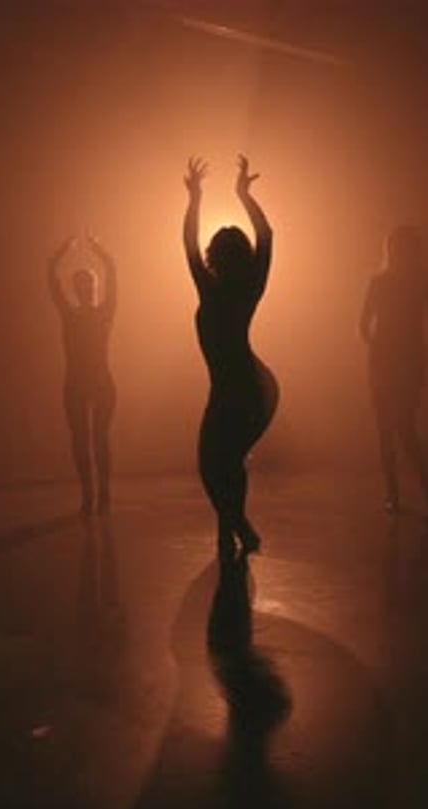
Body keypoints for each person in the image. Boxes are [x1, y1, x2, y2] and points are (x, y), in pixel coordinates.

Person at [183, 155, 279, 560]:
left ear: (218, 257)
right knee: (220, 464)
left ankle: (237, 529)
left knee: (218, 463)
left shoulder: (225, 289)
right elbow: (266, 234)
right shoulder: (226, 288)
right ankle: (232, 528)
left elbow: (265, 235)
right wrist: (236, 195)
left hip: (249, 388)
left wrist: (196, 198)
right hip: (237, 387)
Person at [360, 224, 428, 514]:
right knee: (393, 430)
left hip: (401, 362)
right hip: (396, 361)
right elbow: (364, 323)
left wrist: (376, 348)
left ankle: (406, 494)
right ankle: (413, 493)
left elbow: (364, 325)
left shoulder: (402, 282)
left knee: (399, 429)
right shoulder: (392, 282)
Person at [48, 235, 117, 515]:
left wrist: (99, 252)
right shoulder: (71, 314)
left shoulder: (103, 312)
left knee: (98, 438)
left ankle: (101, 493)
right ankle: (90, 493)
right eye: (81, 285)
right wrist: (61, 254)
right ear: (77, 289)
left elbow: (112, 276)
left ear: (93, 288)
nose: (84, 290)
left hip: (98, 381)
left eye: (87, 285)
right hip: (78, 382)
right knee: (81, 438)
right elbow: (53, 282)